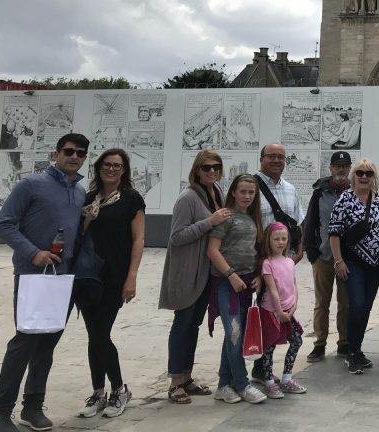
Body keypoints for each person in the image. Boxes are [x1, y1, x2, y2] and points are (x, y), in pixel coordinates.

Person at [0, 134, 89, 432]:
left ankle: (32, 407)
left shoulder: (80, 191)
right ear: (56, 153)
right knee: (24, 342)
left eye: (80, 153)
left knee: (47, 344)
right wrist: (33, 253)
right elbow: (4, 224)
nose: (74, 157)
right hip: (33, 276)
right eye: (69, 151)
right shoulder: (30, 185)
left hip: (62, 278)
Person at [76, 148, 145, 419]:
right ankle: (98, 392)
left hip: (115, 276)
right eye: (107, 164)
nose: (112, 169)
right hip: (88, 276)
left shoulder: (131, 199)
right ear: (99, 167)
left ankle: (118, 389)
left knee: (101, 333)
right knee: (94, 333)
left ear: (124, 170)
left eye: (117, 165)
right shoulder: (89, 198)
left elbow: (138, 240)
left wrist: (132, 276)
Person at [159, 150, 232, 404]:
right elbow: (177, 236)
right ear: (197, 170)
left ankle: (186, 377)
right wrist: (209, 222)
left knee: (194, 325)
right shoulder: (188, 198)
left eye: (216, 167)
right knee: (183, 324)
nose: (212, 171)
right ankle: (175, 382)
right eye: (206, 168)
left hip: (205, 272)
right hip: (187, 271)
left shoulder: (217, 193)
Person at [206, 174, 266, 404]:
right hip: (226, 283)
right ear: (233, 192)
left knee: (235, 334)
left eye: (251, 192)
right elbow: (212, 251)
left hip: (247, 285)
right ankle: (242, 383)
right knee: (234, 333)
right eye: (243, 191)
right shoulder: (226, 217)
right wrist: (230, 275)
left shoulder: (253, 219)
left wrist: (260, 276)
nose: (247, 196)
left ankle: (223, 384)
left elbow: (256, 252)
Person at [328, 159, 379, 375]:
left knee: (366, 308)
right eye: (360, 173)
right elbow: (334, 232)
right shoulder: (345, 199)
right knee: (357, 304)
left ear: (374, 177)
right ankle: (352, 352)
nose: (364, 177)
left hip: (374, 264)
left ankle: (358, 349)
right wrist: (338, 260)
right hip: (352, 261)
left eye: (368, 173)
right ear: (354, 176)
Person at [302, 151, 351, 361]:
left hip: (347, 258)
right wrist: (311, 253)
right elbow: (310, 222)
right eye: (337, 165)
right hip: (323, 255)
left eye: (344, 165)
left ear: (350, 168)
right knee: (322, 302)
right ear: (330, 168)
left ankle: (344, 343)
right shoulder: (320, 192)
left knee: (345, 302)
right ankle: (320, 343)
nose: (341, 169)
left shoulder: (355, 190)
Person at [255, 223, 307, 397]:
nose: (280, 242)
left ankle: (286, 378)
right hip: (272, 311)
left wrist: (294, 305)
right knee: (269, 347)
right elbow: (272, 289)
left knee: (297, 340)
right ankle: (269, 381)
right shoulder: (267, 264)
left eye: (284, 239)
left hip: (288, 311)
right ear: (268, 240)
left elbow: (293, 285)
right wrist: (278, 311)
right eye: (276, 239)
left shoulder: (289, 261)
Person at [254, 143, 303, 261]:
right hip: (257, 259)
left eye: (280, 157)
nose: (276, 160)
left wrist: (299, 253)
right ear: (261, 159)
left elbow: (298, 223)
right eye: (271, 156)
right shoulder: (250, 187)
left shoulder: (290, 189)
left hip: (286, 260)